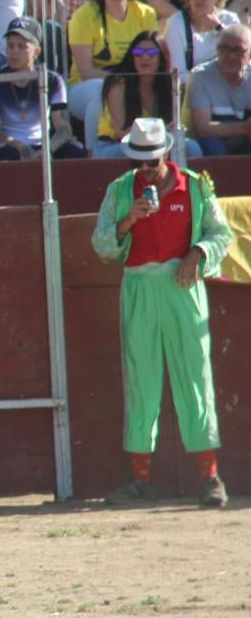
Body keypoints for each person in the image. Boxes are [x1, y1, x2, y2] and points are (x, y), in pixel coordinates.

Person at [91, 115, 233, 507]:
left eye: (150, 161)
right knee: (142, 380)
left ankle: (210, 478)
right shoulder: (120, 191)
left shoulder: (197, 186)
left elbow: (221, 235)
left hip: (182, 286)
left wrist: (198, 253)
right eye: (138, 162)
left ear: (166, 154)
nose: (144, 170)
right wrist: (128, 221)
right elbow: (102, 244)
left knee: (195, 375)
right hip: (138, 285)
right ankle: (141, 480)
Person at [0, 16, 84, 161]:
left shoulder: (53, 80)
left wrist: (47, 149)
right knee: (1, 153)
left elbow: (64, 129)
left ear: (37, 52)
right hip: (11, 146)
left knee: (76, 150)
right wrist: (22, 147)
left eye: (21, 46)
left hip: (43, 144)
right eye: (10, 46)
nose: (14, 51)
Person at [69, 0, 159, 83]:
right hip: (90, 85)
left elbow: (153, 59)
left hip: (134, 84)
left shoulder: (147, 14)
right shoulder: (83, 15)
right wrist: (121, 82)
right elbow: (86, 71)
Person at [95, 31, 187, 158]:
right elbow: (123, 132)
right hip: (116, 145)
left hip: (159, 144)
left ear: (161, 59)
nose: (144, 57)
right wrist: (161, 133)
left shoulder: (170, 84)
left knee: (193, 148)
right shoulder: (116, 85)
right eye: (138, 53)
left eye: (151, 53)